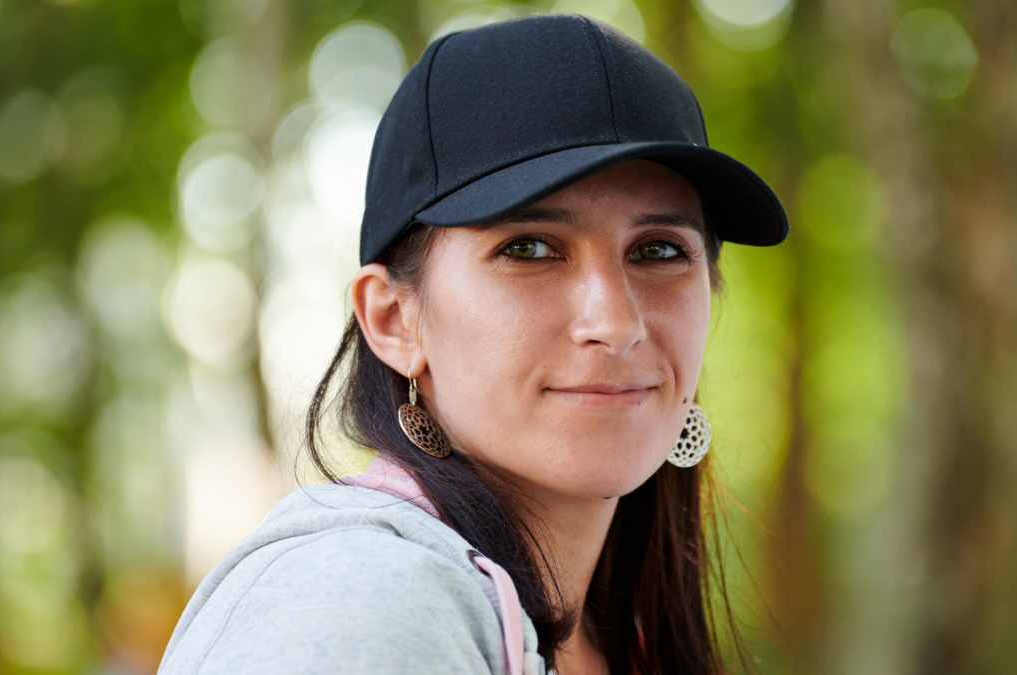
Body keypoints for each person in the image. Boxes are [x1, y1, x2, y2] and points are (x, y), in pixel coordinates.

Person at [159, 13, 787, 675]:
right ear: (395, 320)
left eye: (658, 249)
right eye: (530, 248)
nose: (616, 320)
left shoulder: (616, 636)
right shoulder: (366, 600)